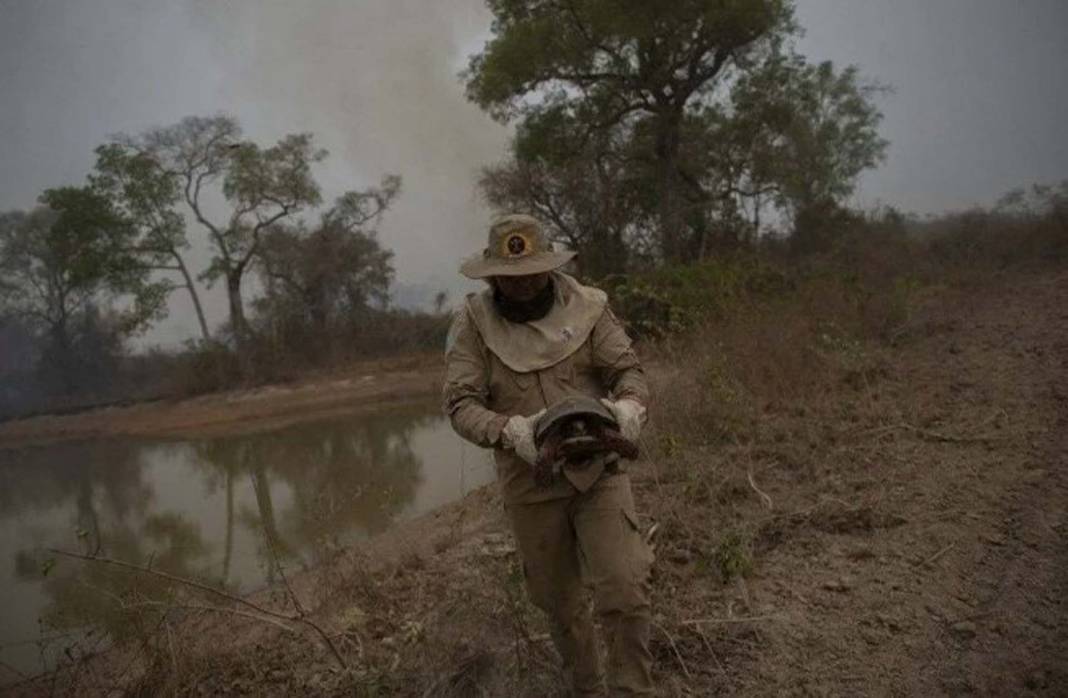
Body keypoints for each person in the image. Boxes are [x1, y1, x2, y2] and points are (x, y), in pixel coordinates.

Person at [442, 214, 655, 696]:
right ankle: (587, 688)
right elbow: (459, 404)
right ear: (492, 274)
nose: (524, 284)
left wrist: (629, 406)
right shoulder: (472, 325)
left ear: (550, 265)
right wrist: (506, 430)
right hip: (530, 480)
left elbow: (628, 370)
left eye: (533, 272)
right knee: (560, 605)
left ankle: (633, 691)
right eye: (512, 276)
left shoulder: (590, 307)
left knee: (625, 588)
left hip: (600, 468)